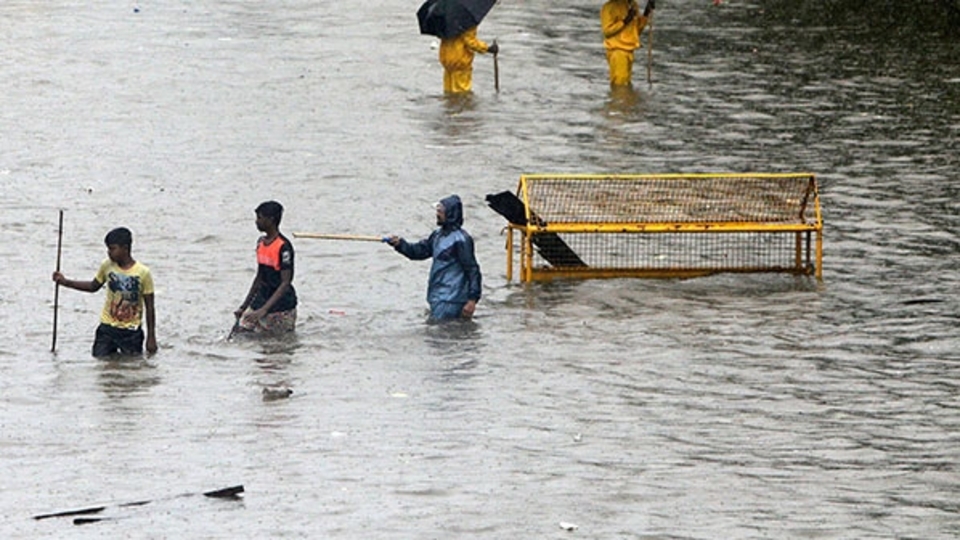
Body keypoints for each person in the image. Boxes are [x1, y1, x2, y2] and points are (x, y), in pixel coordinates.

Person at [52, 227, 157, 357]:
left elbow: (150, 307)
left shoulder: (143, 273)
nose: (109, 253)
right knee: (101, 365)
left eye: (112, 249)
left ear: (125, 248)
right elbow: (93, 286)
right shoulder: (107, 266)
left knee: (131, 369)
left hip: (131, 333)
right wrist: (65, 282)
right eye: (108, 249)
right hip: (107, 329)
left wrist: (151, 337)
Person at [385, 195, 482, 321]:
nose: (437, 214)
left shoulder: (461, 240)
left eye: (440, 211)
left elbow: (473, 270)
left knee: (439, 336)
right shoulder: (437, 235)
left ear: (450, 214)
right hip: (437, 296)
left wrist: (472, 300)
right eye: (437, 211)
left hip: (452, 299)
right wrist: (400, 244)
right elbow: (419, 252)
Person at [235, 201, 298, 334]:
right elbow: (259, 277)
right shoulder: (261, 243)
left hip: (281, 305)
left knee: (275, 344)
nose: (256, 222)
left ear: (271, 220)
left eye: (260, 218)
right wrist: (244, 306)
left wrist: (264, 310)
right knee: (241, 334)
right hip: (261, 299)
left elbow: (285, 282)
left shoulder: (283, 247)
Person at [601, 0, 654, 86]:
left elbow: (636, 31)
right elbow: (607, 32)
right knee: (620, 85)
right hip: (617, 51)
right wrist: (624, 21)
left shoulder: (633, 5)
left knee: (626, 84)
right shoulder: (609, 7)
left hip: (629, 50)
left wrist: (646, 12)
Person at [439, 27, 499, 94]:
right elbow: (471, 42)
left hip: (447, 61)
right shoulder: (466, 23)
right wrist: (488, 48)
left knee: (449, 92)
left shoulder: (445, 23)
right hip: (460, 62)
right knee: (462, 93)